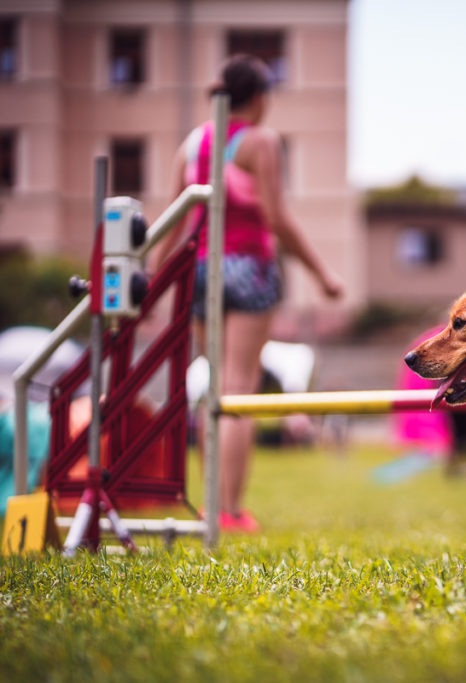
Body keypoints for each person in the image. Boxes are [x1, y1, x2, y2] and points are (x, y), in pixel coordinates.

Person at [151, 54, 343, 532]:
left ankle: (208, 506)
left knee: (213, 386)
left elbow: (173, 220)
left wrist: (152, 284)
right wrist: (323, 274)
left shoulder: (193, 142)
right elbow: (277, 219)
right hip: (248, 267)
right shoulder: (261, 141)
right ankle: (231, 512)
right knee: (239, 389)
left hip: (196, 269)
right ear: (259, 98)